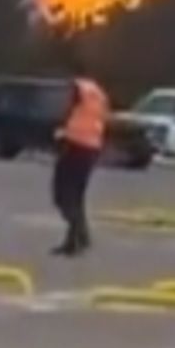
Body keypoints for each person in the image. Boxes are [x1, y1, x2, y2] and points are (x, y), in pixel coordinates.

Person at [52, 71, 110, 257]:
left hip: (74, 145)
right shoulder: (99, 94)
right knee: (76, 196)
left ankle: (79, 236)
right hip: (91, 148)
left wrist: (61, 129)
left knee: (62, 195)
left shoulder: (78, 89)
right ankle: (74, 241)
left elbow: (68, 112)